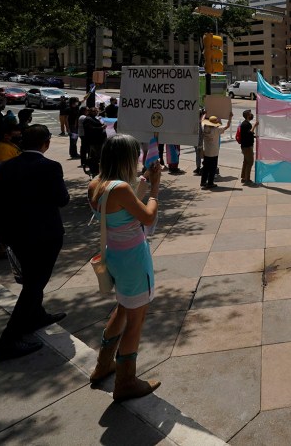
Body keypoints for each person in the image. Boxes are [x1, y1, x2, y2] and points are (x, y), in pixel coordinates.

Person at [88, 134, 162, 400]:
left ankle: (103, 366)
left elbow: (122, 208)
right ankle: (125, 381)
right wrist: (155, 188)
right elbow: (148, 216)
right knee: (135, 320)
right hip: (133, 260)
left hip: (115, 256)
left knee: (122, 309)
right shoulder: (120, 188)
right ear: (127, 158)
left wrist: (142, 180)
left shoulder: (96, 184)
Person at [0, 125, 68, 362]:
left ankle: (36, 315)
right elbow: (61, 199)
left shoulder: (5, 166)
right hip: (44, 235)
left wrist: (0, 233)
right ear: (46, 143)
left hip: (16, 235)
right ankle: (8, 341)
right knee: (34, 284)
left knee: (34, 279)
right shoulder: (50, 167)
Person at [200, 115, 230, 189]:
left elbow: (201, 122)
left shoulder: (205, 128)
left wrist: (204, 115)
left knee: (206, 168)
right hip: (214, 152)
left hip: (206, 152)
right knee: (212, 169)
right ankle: (210, 183)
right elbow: (227, 126)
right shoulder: (216, 130)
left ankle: (203, 182)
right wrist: (230, 118)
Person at [83, 108, 106, 177]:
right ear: (90, 112)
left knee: (95, 156)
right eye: (94, 111)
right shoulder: (88, 119)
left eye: (96, 111)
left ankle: (94, 170)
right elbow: (90, 129)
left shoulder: (94, 118)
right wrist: (101, 127)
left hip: (98, 141)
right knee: (97, 156)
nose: (96, 112)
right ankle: (94, 170)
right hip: (94, 141)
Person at [239, 109, 255, 184]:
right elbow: (249, 133)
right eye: (250, 114)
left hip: (245, 146)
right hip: (247, 147)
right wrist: (255, 125)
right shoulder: (246, 124)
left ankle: (243, 177)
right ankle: (247, 179)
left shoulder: (245, 123)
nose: (251, 114)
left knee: (246, 162)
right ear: (247, 116)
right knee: (250, 162)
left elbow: (247, 135)